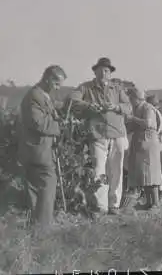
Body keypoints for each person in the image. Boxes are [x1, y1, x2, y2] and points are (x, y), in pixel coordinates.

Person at [70, 57, 132, 215]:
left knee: (116, 171)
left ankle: (114, 205)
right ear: (95, 71)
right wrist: (89, 106)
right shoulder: (86, 88)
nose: (104, 73)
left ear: (110, 73)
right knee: (99, 171)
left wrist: (116, 107)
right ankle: (101, 206)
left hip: (117, 134)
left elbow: (129, 107)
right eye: (101, 70)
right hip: (97, 135)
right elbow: (73, 100)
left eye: (107, 70)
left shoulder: (117, 89)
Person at [17, 65, 67, 229]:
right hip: (39, 150)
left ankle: (35, 227)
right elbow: (38, 123)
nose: (58, 88)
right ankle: (44, 228)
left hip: (35, 149)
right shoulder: (34, 96)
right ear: (48, 79)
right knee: (48, 184)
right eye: (57, 84)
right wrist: (60, 125)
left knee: (34, 188)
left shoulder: (41, 95)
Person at [126, 88, 162, 210]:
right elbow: (132, 126)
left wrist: (132, 119)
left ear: (138, 98)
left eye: (131, 98)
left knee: (151, 174)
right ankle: (148, 202)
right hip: (141, 143)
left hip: (149, 144)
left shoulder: (147, 108)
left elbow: (148, 123)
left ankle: (155, 203)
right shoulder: (137, 109)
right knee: (144, 175)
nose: (130, 101)